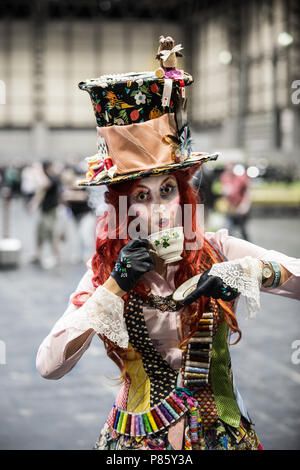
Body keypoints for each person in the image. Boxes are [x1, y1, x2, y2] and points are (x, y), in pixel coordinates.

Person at [36, 38, 300, 451]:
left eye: (167, 190)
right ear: (123, 205)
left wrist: (247, 273)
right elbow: (48, 366)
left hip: (220, 435)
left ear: (184, 194)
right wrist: (114, 288)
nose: (160, 209)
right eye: (141, 196)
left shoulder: (216, 249)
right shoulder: (107, 271)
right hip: (136, 442)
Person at [29, 160, 62, 267]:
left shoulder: (53, 178)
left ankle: (56, 257)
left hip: (51, 211)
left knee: (52, 235)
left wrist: (38, 171)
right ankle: (37, 255)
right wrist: (34, 203)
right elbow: (41, 192)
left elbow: (45, 184)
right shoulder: (47, 177)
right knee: (39, 234)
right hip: (44, 211)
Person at [220, 162, 251, 241]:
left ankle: (248, 245)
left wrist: (245, 204)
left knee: (243, 230)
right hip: (230, 208)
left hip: (239, 207)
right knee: (228, 229)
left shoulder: (241, 177)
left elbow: (247, 191)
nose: (229, 171)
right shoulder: (224, 177)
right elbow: (223, 190)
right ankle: (229, 248)